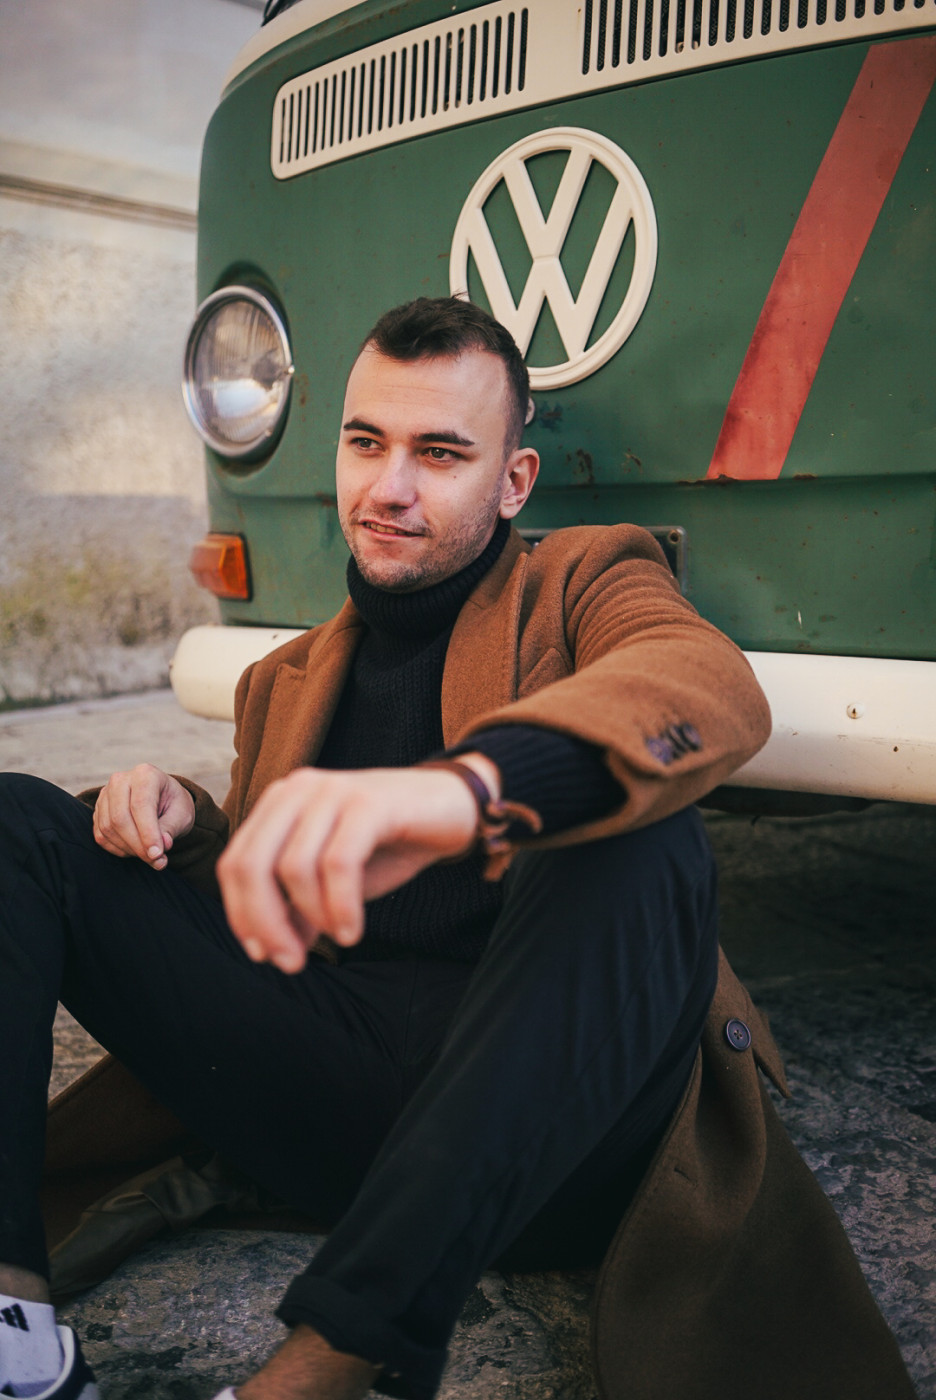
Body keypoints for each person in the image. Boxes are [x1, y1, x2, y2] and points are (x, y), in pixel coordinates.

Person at [0, 299, 914, 1400]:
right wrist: (185, 824)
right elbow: (277, 891)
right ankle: (15, 1335)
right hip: (338, 1089)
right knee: (20, 820)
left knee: (635, 830)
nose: (389, 488)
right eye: (366, 442)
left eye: (439, 453)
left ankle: (330, 1363)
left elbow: (705, 686)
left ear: (514, 482)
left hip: (553, 1134)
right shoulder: (281, 678)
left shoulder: (585, 578)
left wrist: (471, 790)